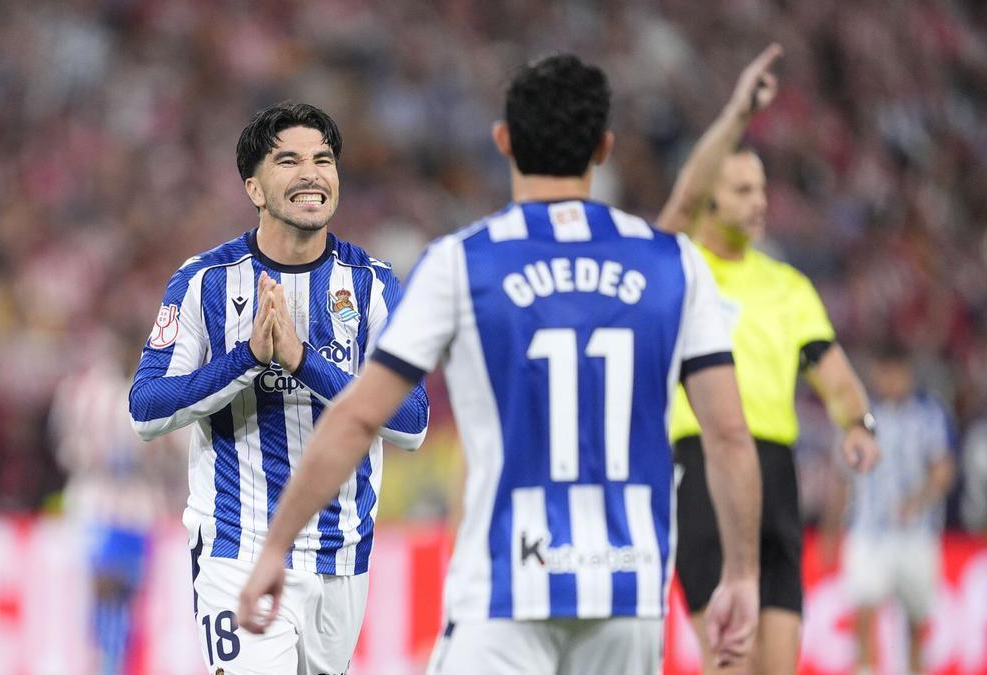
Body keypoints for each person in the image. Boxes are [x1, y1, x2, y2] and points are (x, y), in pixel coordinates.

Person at [239, 54, 764, 674]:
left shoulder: (464, 263)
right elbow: (728, 434)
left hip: (502, 590)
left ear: (504, 142)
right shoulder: (674, 263)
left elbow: (358, 417)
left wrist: (276, 546)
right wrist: (742, 574)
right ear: (603, 147)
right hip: (628, 593)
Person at [127, 102, 430, 675]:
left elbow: (412, 422)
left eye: (323, 159)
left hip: (341, 552)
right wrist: (247, 359)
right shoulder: (204, 283)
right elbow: (146, 410)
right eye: (288, 161)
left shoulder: (371, 287)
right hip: (235, 545)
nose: (311, 174)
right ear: (255, 189)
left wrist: (300, 360)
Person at [657, 44, 882, 674]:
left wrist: (856, 423)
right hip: (702, 469)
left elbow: (835, 377)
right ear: (710, 198)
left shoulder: (789, 286)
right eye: (742, 189)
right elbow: (676, 209)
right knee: (729, 664)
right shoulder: (680, 266)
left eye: (763, 187)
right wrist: (736, 114)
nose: (760, 201)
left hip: (775, 477)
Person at [51, 329, 184, 675]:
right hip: (100, 501)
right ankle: (101, 663)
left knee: (126, 594)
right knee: (101, 589)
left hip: (134, 505)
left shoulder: (153, 389)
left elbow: (178, 452)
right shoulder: (86, 389)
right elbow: (66, 446)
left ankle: (115, 664)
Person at [831, 344, 955, 675]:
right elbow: (842, 477)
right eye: (884, 372)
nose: (890, 380)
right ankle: (865, 669)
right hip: (869, 530)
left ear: (907, 373)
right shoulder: (861, 416)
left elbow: (943, 467)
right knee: (864, 610)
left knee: (916, 619)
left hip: (916, 532)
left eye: (896, 372)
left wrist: (920, 498)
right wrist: (831, 529)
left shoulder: (928, 414)